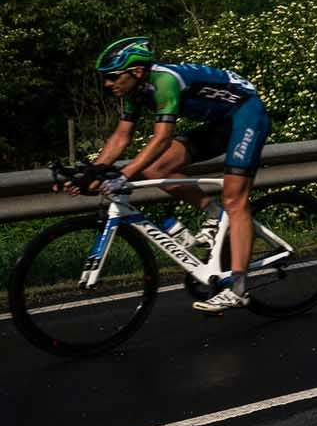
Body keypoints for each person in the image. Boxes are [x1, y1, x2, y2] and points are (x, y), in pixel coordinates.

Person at [85, 37, 270, 313]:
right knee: (155, 168)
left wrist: (123, 175)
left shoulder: (165, 81)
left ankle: (238, 289)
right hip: (220, 122)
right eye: (105, 78)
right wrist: (92, 172)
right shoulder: (134, 91)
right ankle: (214, 214)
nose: (108, 84)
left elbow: (161, 139)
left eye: (112, 77)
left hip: (247, 115)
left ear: (137, 71)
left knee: (235, 199)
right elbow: (122, 136)